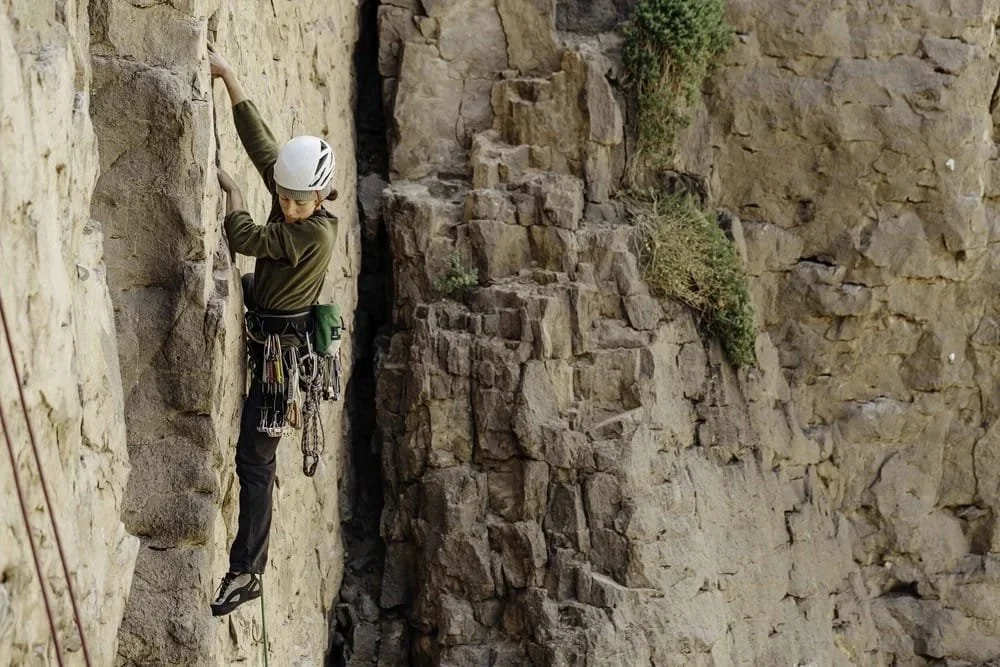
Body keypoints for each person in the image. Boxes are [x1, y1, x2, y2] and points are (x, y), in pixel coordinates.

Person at [208, 43, 338, 617]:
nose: (285, 206)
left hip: (282, 359)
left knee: (255, 462)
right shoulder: (295, 199)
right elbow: (263, 145)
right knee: (254, 460)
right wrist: (230, 76)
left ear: (321, 196)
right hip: (273, 339)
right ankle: (247, 566)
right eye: (281, 197)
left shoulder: (312, 234)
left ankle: (247, 572)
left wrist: (237, 198)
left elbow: (246, 240)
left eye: (296, 200)